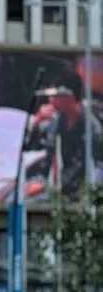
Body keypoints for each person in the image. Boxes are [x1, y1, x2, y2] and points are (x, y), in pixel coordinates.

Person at [24, 71, 103, 201]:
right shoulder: (55, 124)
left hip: (81, 191)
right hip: (54, 187)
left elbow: (80, 167)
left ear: (70, 97)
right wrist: (36, 122)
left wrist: (47, 187)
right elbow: (40, 153)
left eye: (56, 96)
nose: (51, 100)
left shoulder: (91, 128)